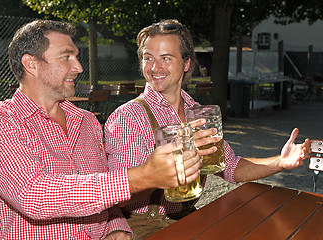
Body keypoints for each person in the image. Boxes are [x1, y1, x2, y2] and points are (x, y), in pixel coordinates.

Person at [0, 19, 202, 240]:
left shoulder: (87, 121)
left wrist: (117, 227)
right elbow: (35, 195)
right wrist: (144, 176)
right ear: (31, 64)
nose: (79, 67)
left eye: (77, 57)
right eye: (66, 57)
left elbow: (104, 193)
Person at [104, 19, 311, 239]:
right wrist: (159, 174)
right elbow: (116, 195)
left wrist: (281, 161)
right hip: (143, 225)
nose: (155, 68)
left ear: (186, 64)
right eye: (148, 58)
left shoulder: (199, 112)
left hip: (188, 217)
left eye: (166, 58)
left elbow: (231, 167)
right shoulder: (128, 117)